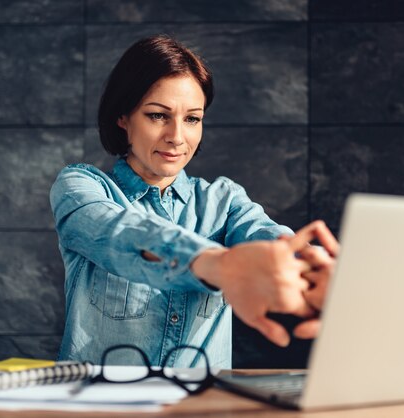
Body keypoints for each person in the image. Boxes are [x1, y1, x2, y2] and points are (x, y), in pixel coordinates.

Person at [50, 34, 338, 369]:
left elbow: (270, 240)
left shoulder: (225, 201)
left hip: (200, 405)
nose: (176, 136)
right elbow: (120, 234)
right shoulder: (80, 187)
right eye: (158, 115)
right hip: (99, 404)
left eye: (192, 119)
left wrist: (311, 268)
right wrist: (221, 265)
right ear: (123, 117)